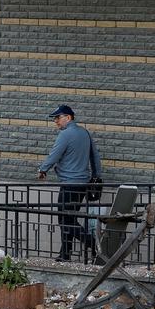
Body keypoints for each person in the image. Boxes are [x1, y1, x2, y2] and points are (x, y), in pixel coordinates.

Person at [37, 104, 102, 263]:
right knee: (69, 218)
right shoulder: (85, 133)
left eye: (58, 118)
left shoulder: (65, 135)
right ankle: (65, 254)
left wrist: (43, 169)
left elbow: (55, 154)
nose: (56, 121)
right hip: (83, 185)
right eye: (55, 119)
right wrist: (96, 176)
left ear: (68, 117)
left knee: (65, 220)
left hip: (69, 184)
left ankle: (93, 244)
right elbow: (95, 157)